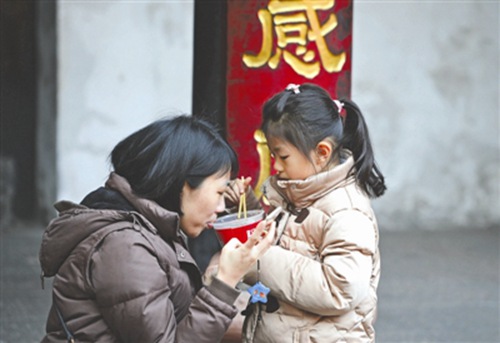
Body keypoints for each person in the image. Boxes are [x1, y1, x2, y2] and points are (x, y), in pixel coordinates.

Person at [39, 115, 276, 342]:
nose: (221, 206)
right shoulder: (125, 247)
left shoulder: (150, 227)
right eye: (219, 192)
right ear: (183, 184)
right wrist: (224, 281)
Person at [237, 83, 387, 342]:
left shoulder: (347, 211)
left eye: (283, 156)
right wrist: (244, 208)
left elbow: (340, 288)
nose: (276, 166)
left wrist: (258, 261)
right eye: (273, 155)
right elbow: (292, 242)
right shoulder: (300, 193)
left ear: (321, 153)